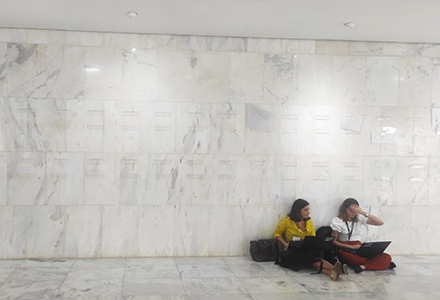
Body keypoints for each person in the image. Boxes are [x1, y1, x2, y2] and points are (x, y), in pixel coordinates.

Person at [274, 198, 348, 280]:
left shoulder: (309, 222)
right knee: (310, 257)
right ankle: (335, 269)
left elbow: (313, 237)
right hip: (293, 249)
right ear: (298, 211)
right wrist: (285, 244)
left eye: (308, 209)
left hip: (305, 248)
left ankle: (332, 272)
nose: (308, 212)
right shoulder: (286, 221)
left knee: (314, 255)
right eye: (305, 210)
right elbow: (277, 234)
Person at [330, 198, 396, 273]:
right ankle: (382, 265)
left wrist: (363, 213)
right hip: (346, 248)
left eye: (355, 210)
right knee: (354, 259)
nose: (353, 212)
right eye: (351, 209)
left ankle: (363, 266)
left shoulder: (359, 219)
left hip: (360, 247)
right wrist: (351, 247)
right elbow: (333, 241)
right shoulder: (338, 221)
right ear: (345, 209)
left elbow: (380, 222)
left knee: (386, 257)